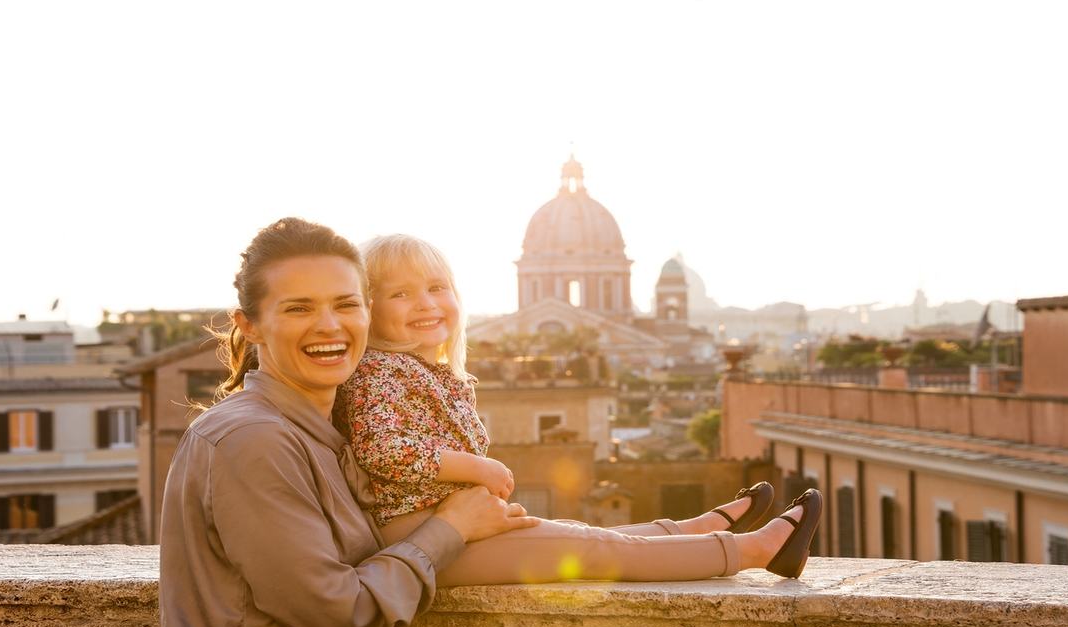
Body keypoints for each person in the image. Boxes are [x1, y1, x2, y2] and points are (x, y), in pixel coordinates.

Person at [158, 218, 539, 627]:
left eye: (346, 304)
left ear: (367, 314)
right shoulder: (254, 440)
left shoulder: (329, 432)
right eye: (299, 308)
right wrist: (451, 528)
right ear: (250, 326)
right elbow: (340, 610)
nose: (329, 325)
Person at [339, 234, 823, 586]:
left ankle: (690, 529)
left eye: (435, 287)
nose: (425, 303)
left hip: (449, 526)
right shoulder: (378, 369)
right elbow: (382, 448)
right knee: (591, 549)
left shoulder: (433, 372)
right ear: (367, 308)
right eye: (400, 293)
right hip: (424, 537)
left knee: (580, 533)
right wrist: (478, 468)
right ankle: (756, 550)